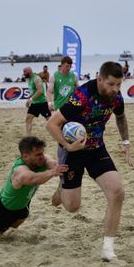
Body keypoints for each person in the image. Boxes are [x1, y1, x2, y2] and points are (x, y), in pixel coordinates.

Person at [46, 61, 134, 261]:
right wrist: (67, 146)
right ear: (100, 79)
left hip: (96, 149)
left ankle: (108, 248)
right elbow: (51, 125)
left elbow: (121, 117)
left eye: (119, 84)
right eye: (111, 84)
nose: (115, 89)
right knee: (72, 207)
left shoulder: (116, 98)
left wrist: (126, 142)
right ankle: (62, 189)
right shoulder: (82, 96)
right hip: (73, 151)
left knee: (117, 192)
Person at [0, 136, 68, 235]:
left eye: (42, 153)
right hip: (4, 207)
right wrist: (53, 172)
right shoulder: (20, 171)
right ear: (25, 156)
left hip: (23, 204)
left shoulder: (40, 160)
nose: (42, 156)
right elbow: (32, 178)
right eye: (38, 154)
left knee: (14, 225)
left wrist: (56, 167)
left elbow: (51, 162)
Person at [46, 56, 79, 207]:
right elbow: (50, 91)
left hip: (73, 111)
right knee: (62, 140)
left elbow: (78, 90)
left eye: (70, 66)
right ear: (61, 66)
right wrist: (49, 102)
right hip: (59, 111)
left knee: (72, 136)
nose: (68, 69)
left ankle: (69, 156)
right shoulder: (55, 76)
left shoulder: (74, 76)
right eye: (66, 66)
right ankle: (63, 160)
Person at [24, 67, 51, 135]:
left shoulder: (36, 78)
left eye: (24, 72)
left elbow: (40, 91)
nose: (23, 73)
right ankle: (28, 136)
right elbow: (33, 91)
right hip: (34, 104)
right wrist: (29, 99)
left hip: (42, 103)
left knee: (50, 121)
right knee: (28, 119)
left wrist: (30, 99)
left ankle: (59, 132)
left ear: (29, 71)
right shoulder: (29, 79)